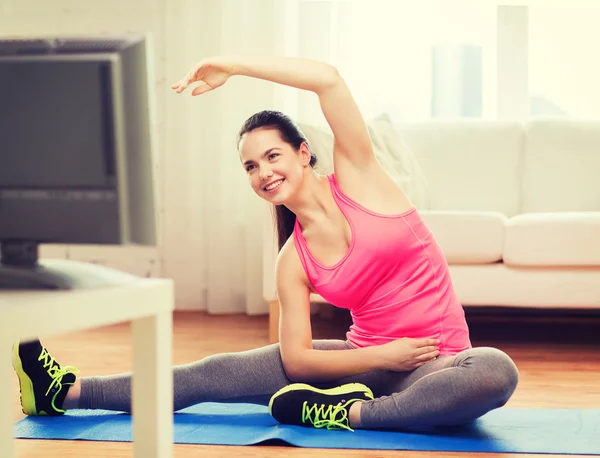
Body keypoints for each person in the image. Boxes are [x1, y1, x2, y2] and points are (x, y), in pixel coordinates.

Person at [13, 56, 519, 432]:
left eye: (272, 156)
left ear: (304, 153)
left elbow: (329, 80)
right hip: (364, 361)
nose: (263, 173)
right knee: (213, 373)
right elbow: (298, 361)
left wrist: (231, 66)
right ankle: (67, 392)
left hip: (436, 364)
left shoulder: (362, 181)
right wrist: (385, 355)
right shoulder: (291, 259)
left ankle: (350, 415)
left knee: (494, 371)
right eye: (250, 166)